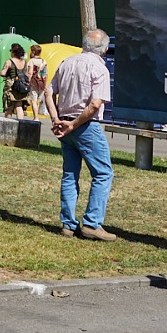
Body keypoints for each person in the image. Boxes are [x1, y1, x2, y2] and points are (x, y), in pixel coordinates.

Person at [45, 29, 116, 241]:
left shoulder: (66, 62)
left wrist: (56, 119)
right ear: (105, 49)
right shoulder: (100, 68)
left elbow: (48, 92)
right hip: (85, 125)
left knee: (70, 174)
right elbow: (95, 104)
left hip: (65, 123)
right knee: (103, 173)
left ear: (84, 44)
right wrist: (74, 124)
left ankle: (68, 224)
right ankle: (92, 224)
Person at [1, 44, 32, 119]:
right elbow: (27, 74)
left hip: (11, 87)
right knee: (19, 107)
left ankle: (8, 124)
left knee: (9, 107)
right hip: (21, 86)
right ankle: (20, 123)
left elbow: (3, 73)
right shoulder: (24, 62)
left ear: (14, 52)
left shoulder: (9, 61)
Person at [27, 43, 50, 120]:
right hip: (42, 83)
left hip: (34, 83)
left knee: (33, 101)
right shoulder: (44, 61)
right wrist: (45, 84)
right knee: (38, 101)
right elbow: (46, 74)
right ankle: (37, 116)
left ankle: (36, 117)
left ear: (33, 52)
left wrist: (27, 82)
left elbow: (30, 73)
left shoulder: (31, 61)